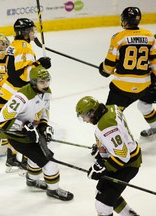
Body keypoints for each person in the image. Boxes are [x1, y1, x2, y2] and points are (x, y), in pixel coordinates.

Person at [0, 65, 74, 201]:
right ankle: (53, 189)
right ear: (33, 82)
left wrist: (43, 125)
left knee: (35, 158)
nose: (46, 84)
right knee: (49, 163)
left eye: (47, 81)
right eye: (42, 82)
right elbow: (3, 121)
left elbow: (44, 111)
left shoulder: (47, 92)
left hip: (32, 133)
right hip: (18, 136)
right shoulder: (21, 98)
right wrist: (24, 127)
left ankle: (32, 180)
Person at [0, 18, 52, 171]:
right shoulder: (25, 47)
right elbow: (24, 76)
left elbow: (16, 70)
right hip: (19, 92)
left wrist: (38, 64)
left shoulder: (14, 45)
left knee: (15, 127)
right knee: (28, 126)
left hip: (9, 90)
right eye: (32, 31)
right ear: (27, 32)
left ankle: (11, 159)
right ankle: (24, 162)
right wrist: (41, 65)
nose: (34, 33)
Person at [76, 96, 142, 216]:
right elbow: (119, 136)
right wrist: (103, 146)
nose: (85, 120)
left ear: (92, 113)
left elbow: (123, 155)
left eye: (85, 117)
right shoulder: (111, 108)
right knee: (101, 192)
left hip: (127, 164)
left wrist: (103, 168)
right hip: (130, 156)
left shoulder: (106, 126)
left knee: (102, 204)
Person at [98, 7, 156, 142]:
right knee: (144, 105)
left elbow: (109, 65)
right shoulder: (149, 36)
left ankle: (109, 143)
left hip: (122, 88)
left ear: (124, 20)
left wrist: (103, 70)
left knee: (109, 116)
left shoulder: (119, 37)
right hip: (144, 85)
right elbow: (154, 62)